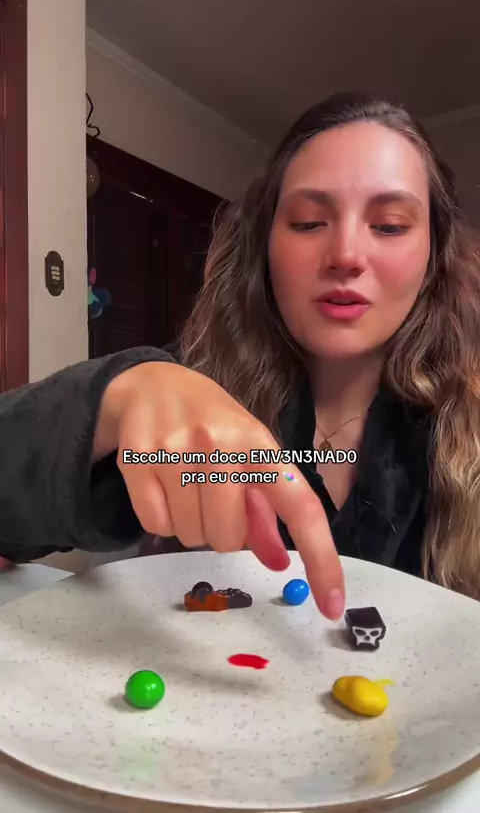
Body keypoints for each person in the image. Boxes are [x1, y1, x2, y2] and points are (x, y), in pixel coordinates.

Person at [1, 91, 479, 616]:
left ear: (433, 257)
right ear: (265, 247)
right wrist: (107, 404)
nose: (346, 255)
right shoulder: (195, 394)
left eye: (389, 225)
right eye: (307, 222)